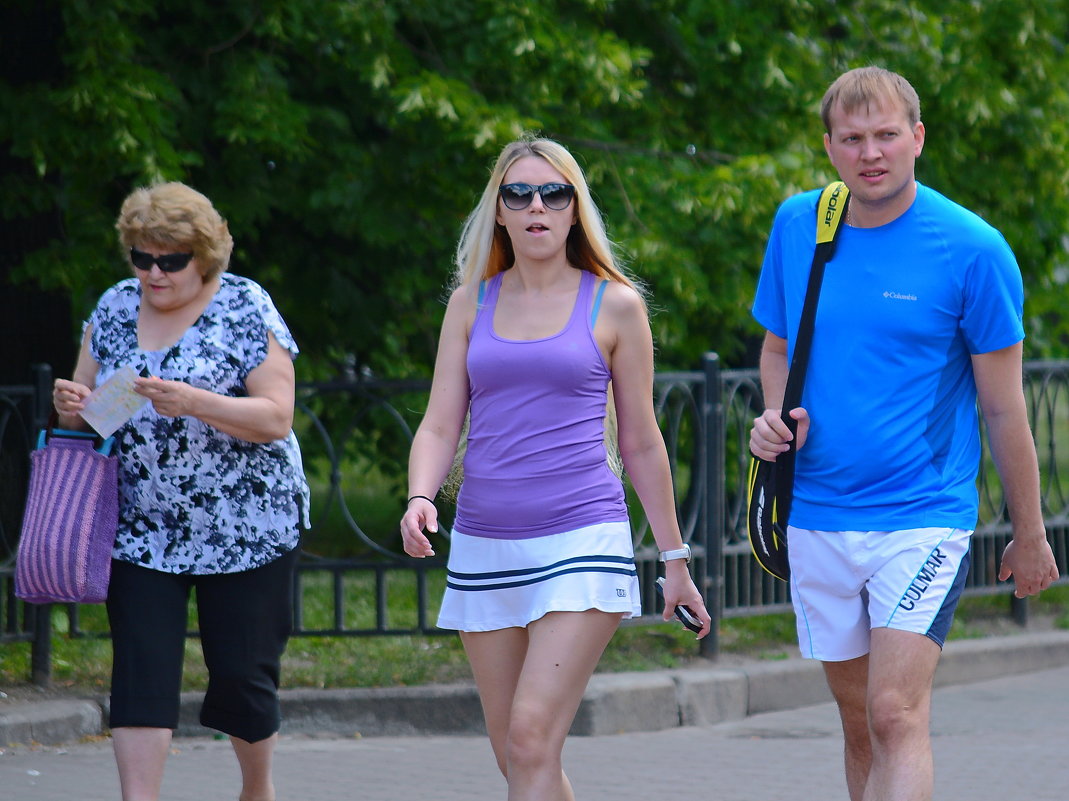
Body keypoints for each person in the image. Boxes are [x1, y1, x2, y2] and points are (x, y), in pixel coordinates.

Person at [749, 66, 1060, 801]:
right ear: (828, 147)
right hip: (817, 512)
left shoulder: (971, 248)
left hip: (921, 513)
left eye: (886, 134)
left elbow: (1004, 407)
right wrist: (772, 414)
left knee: (893, 713)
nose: (870, 152)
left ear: (916, 138)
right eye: (852, 139)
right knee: (858, 723)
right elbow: (774, 348)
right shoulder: (800, 225)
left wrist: (1030, 530)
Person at [399, 135, 711, 800]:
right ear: (500, 212)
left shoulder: (615, 304)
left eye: (552, 192)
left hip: (580, 539)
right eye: (518, 193)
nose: (535, 205)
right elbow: (438, 421)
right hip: (484, 545)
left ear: (574, 209)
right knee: (513, 754)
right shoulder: (469, 304)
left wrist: (673, 558)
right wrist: (419, 495)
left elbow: (641, 441)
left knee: (530, 737)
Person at [52, 181, 309, 801]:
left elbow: (276, 417)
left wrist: (194, 402)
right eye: (142, 258)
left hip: (246, 525)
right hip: (141, 525)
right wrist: (73, 405)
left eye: (170, 260)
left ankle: (257, 788)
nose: (154, 273)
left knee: (243, 678)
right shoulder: (115, 306)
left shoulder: (246, 306)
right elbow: (88, 414)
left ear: (205, 256)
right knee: (140, 672)